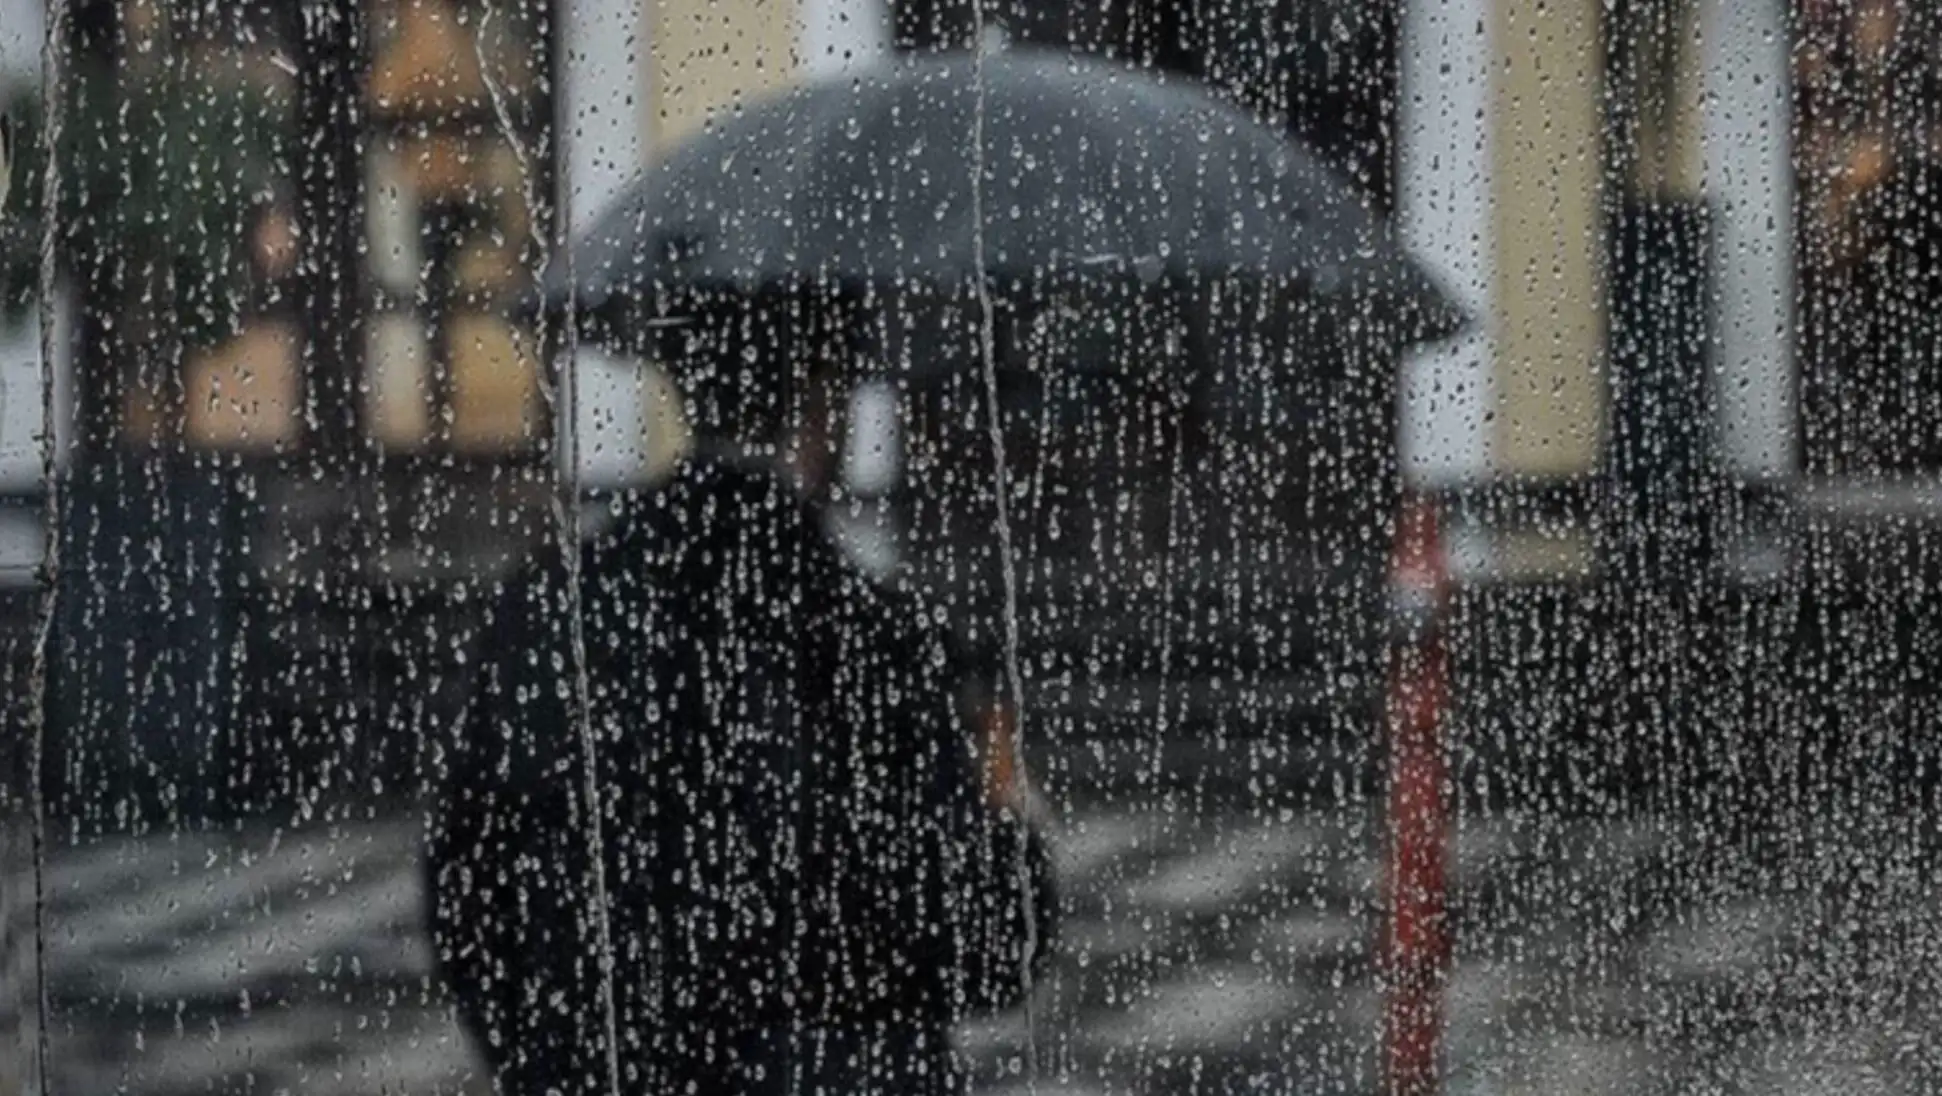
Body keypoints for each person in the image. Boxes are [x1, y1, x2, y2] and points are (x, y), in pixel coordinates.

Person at [422, 296, 1057, 1096]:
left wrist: (551, 1062)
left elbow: (467, 894)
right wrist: (1007, 810)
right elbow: (988, 948)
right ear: (820, 402)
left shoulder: (548, 615)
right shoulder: (874, 636)